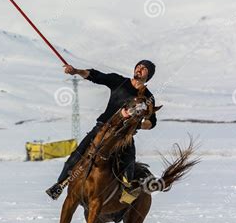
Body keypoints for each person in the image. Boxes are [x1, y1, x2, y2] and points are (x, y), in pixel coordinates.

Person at [46, 60, 158, 201]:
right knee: (77, 154)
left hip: (124, 134)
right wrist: (76, 71)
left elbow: (152, 122)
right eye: (138, 66)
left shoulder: (148, 97)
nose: (140, 68)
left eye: (144, 68)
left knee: (129, 161)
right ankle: (59, 185)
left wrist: (137, 125)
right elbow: (96, 76)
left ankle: (127, 197)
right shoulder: (119, 81)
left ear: (149, 74)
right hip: (103, 127)